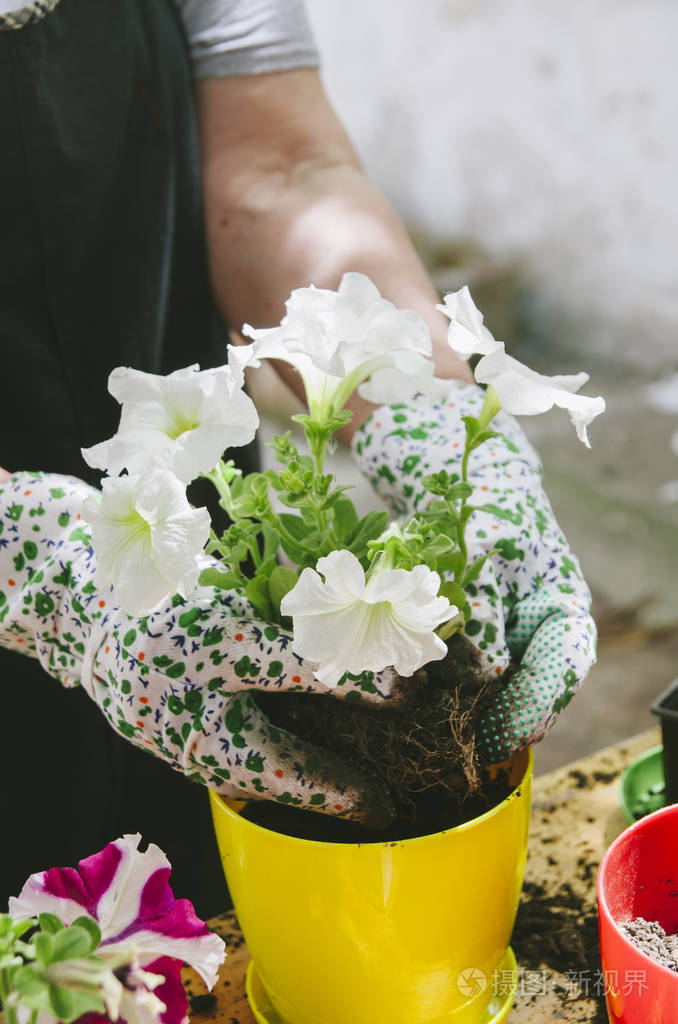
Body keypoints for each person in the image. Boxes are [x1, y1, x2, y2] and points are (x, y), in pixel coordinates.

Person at [0, 0, 595, 914]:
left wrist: (426, 412)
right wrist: (38, 563)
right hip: (79, 551)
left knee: (184, 913)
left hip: (171, 560)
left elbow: (282, 174)